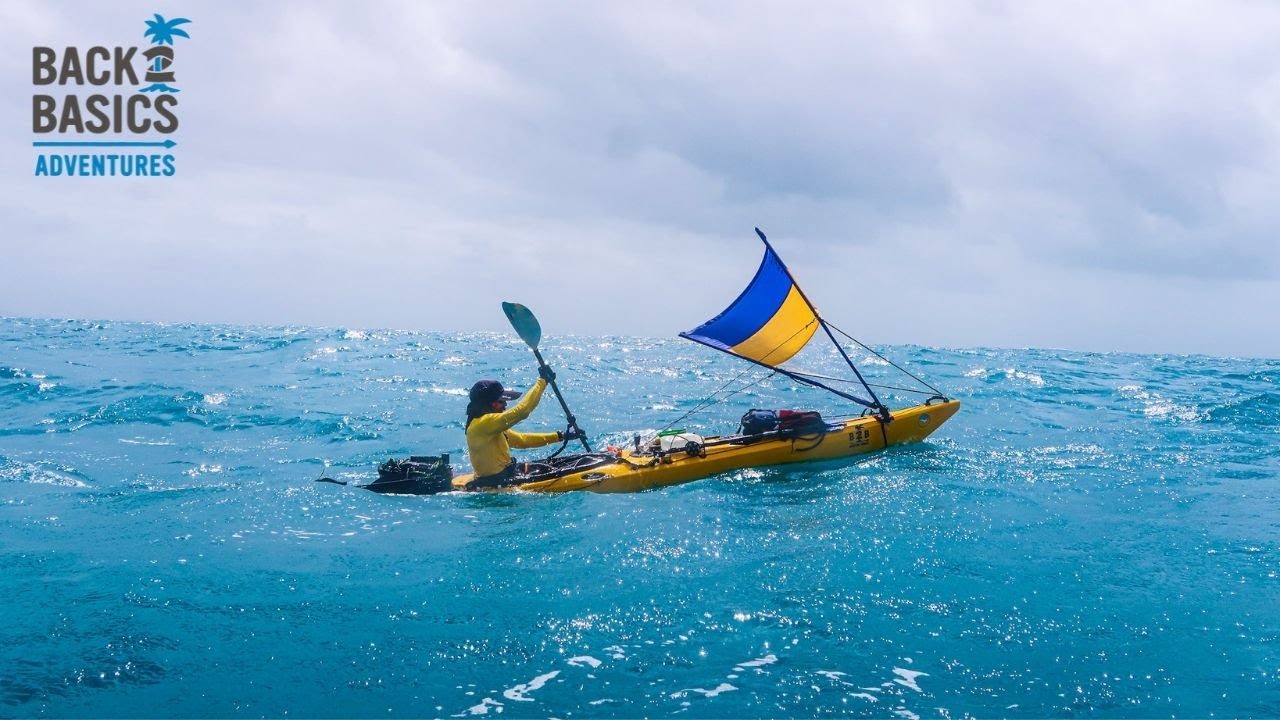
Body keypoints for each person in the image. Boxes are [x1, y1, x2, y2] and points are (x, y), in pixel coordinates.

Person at [464, 366, 585, 489]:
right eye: (501, 401)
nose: (505, 405)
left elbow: (521, 440)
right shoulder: (483, 424)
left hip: (506, 474)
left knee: (553, 466)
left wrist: (561, 436)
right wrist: (542, 381)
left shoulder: (491, 426)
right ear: (489, 404)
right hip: (497, 483)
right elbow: (523, 410)